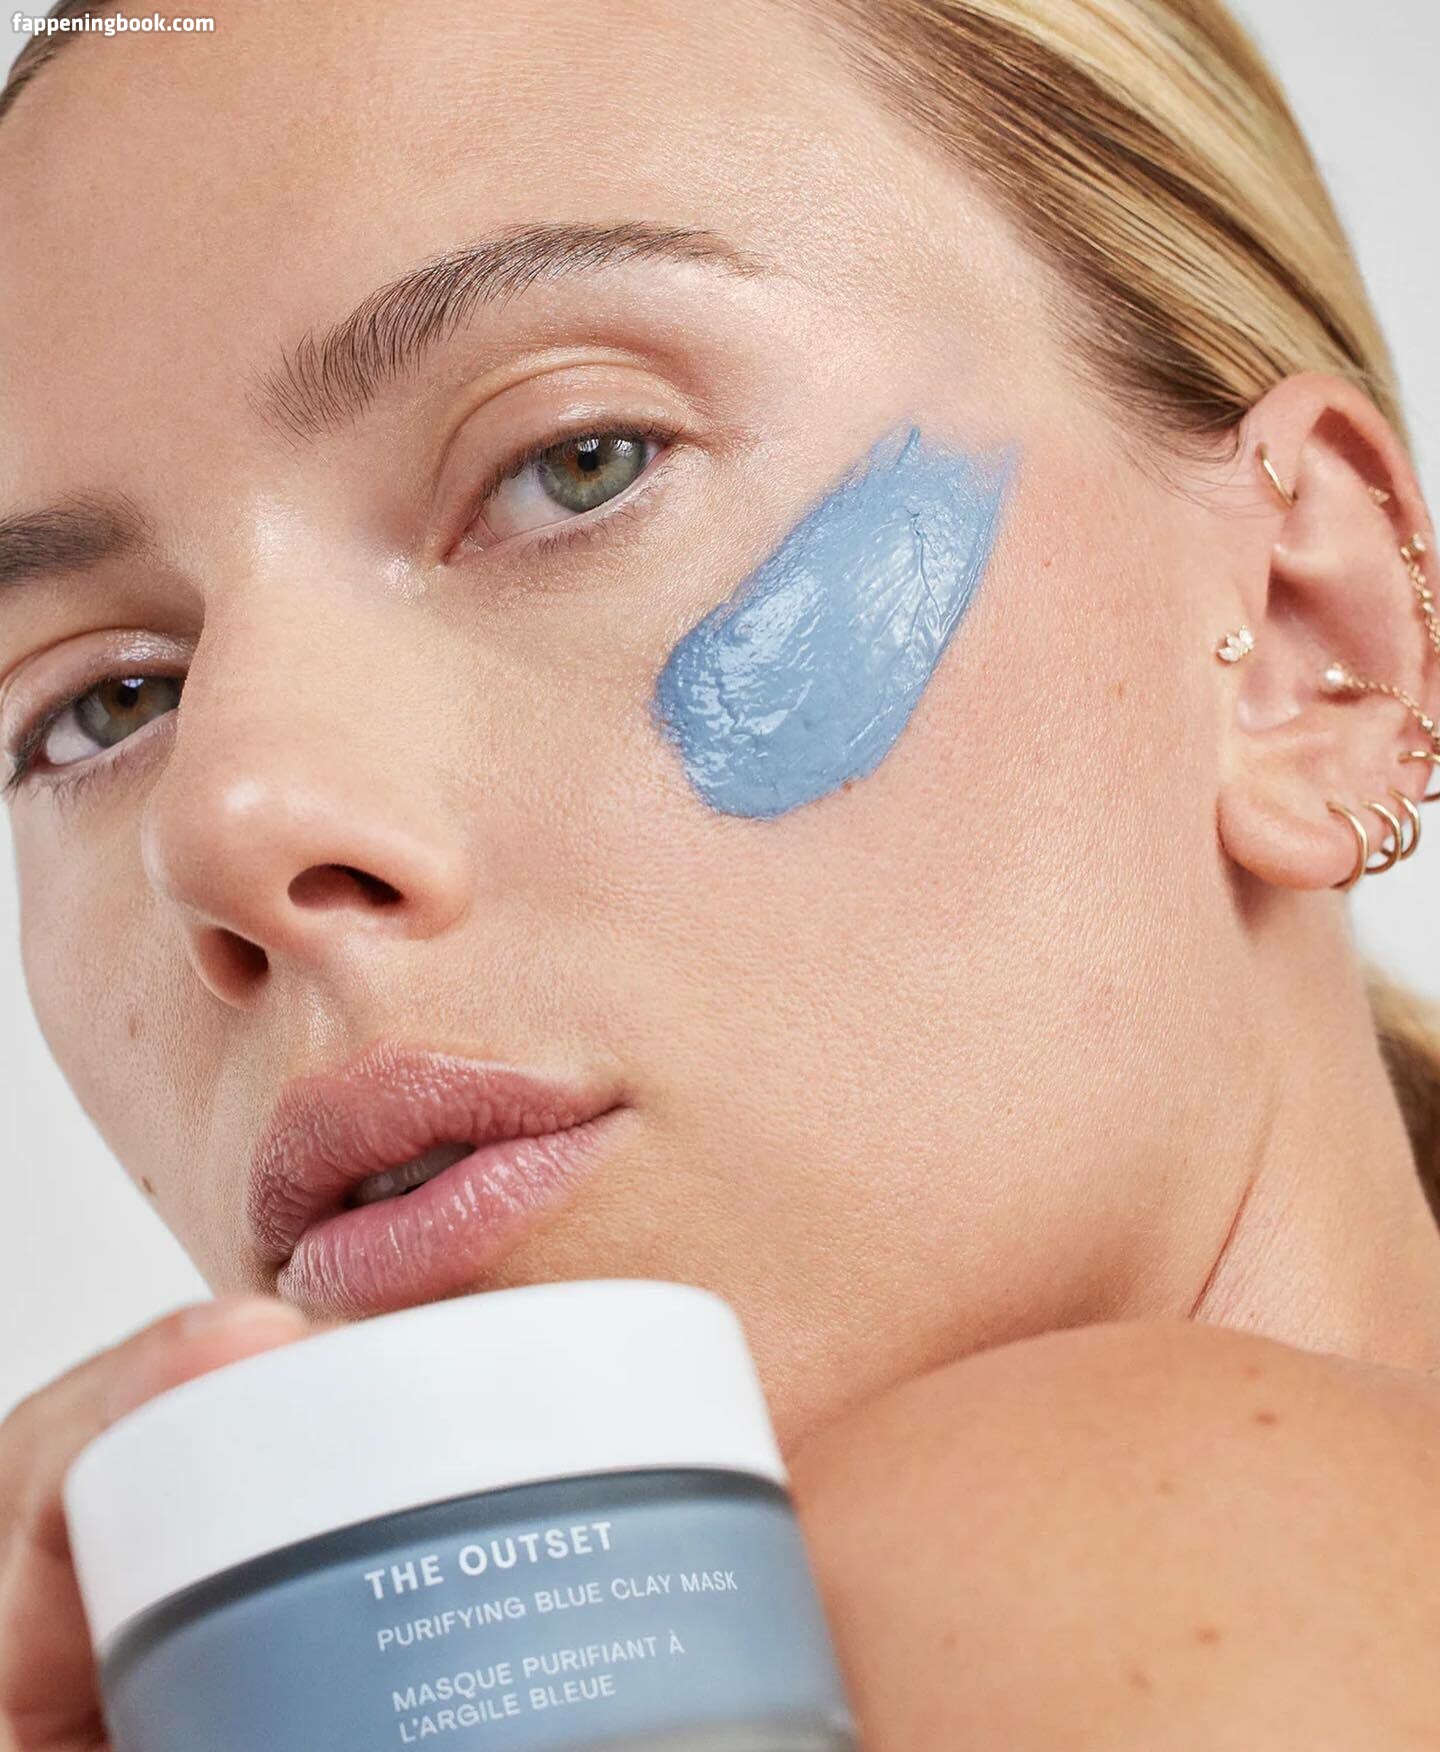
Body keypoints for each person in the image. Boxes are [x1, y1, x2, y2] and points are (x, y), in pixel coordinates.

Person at [1, 0, 1438, 1743]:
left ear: (1304, 643)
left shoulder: (1121, 1527)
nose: (222, 824)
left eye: (575, 464)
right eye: (98, 706)